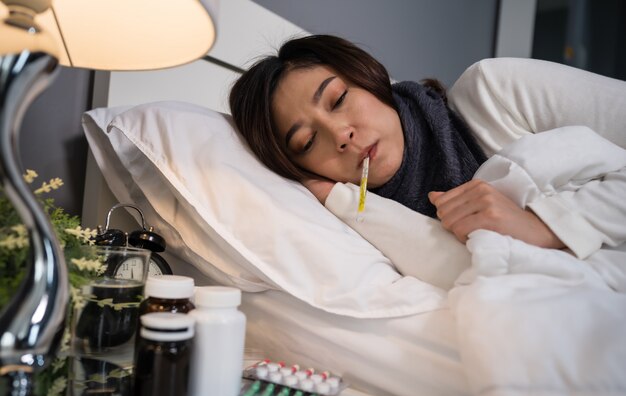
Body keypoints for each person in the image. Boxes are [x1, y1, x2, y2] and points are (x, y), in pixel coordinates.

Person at [229, 34, 626, 255]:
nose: (341, 136)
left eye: (338, 99)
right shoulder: (357, 228)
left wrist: (547, 227)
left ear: (367, 76)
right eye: (308, 141)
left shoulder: (496, 89)